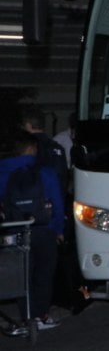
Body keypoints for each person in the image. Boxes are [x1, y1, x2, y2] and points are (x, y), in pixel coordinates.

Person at [1, 130, 66, 334]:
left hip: (15, 230)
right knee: (44, 274)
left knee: (22, 276)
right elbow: (57, 202)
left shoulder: (3, 172)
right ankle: (41, 316)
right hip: (43, 229)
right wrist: (58, 229)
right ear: (31, 149)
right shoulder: (45, 171)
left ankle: (27, 317)